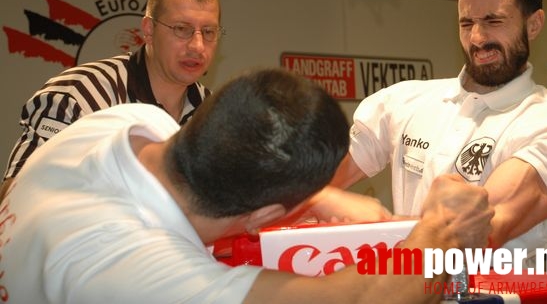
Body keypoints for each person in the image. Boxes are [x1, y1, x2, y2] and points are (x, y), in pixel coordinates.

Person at [0, 68, 493, 304]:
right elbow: (363, 299)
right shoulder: (136, 267)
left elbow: (224, 153)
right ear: (262, 219)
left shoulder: (126, 123)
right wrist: (441, 230)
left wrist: (317, 195)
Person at [329, 0, 547, 264]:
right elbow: (313, 188)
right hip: (403, 293)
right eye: (466, 22)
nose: (477, 38)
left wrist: (369, 220)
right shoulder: (401, 102)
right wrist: (322, 203)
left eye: (493, 21)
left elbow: (476, 233)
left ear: (534, 23)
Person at [1, 0, 220, 199]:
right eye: (182, 29)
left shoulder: (216, 113)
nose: (197, 45)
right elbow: (15, 194)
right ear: (148, 30)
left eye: (208, 32)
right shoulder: (77, 93)